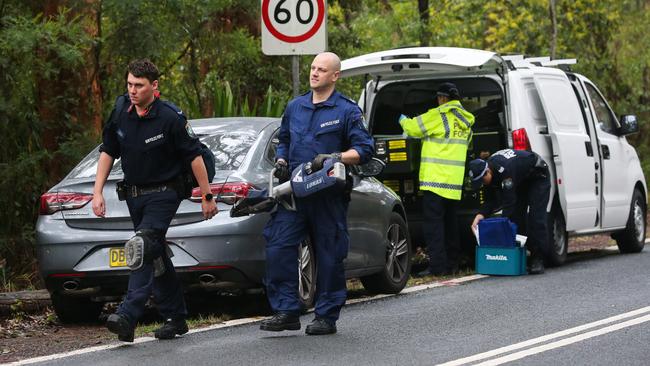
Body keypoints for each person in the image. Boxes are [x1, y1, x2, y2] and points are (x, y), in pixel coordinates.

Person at [92, 59, 218, 342]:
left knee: (141, 245)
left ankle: (128, 314)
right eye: (129, 84)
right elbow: (108, 151)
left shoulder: (170, 117)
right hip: (134, 196)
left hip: (165, 193)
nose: (133, 90)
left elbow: (194, 157)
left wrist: (207, 196)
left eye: (139, 85)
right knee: (155, 255)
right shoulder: (121, 112)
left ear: (154, 86)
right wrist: (97, 192)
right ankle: (176, 316)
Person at [260, 52, 374, 335]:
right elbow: (283, 139)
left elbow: (363, 150)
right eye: (312, 68)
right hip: (294, 193)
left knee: (330, 254)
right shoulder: (295, 107)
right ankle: (286, 310)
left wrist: (335, 156)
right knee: (278, 247)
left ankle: (326, 316)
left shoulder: (347, 110)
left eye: (321, 70)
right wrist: (282, 161)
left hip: (327, 195)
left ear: (335, 76)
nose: (314, 73)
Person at [398, 83, 475, 276]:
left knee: (434, 225)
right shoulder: (465, 121)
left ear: (442, 98)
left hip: (435, 179)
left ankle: (438, 267)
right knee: (451, 223)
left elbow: (414, 129)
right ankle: (452, 263)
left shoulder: (438, 115)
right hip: (454, 181)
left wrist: (402, 119)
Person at [467, 149, 550, 274]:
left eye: (482, 181)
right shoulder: (488, 172)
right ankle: (521, 255)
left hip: (537, 176)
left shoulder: (505, 170)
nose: (482, 184)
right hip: (521, 179)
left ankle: (539, 258)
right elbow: (490, 200)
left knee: (535, 217)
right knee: (517, 218)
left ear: (488, 172)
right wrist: (480, 215)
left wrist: (501, 227)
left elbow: (509, 203)